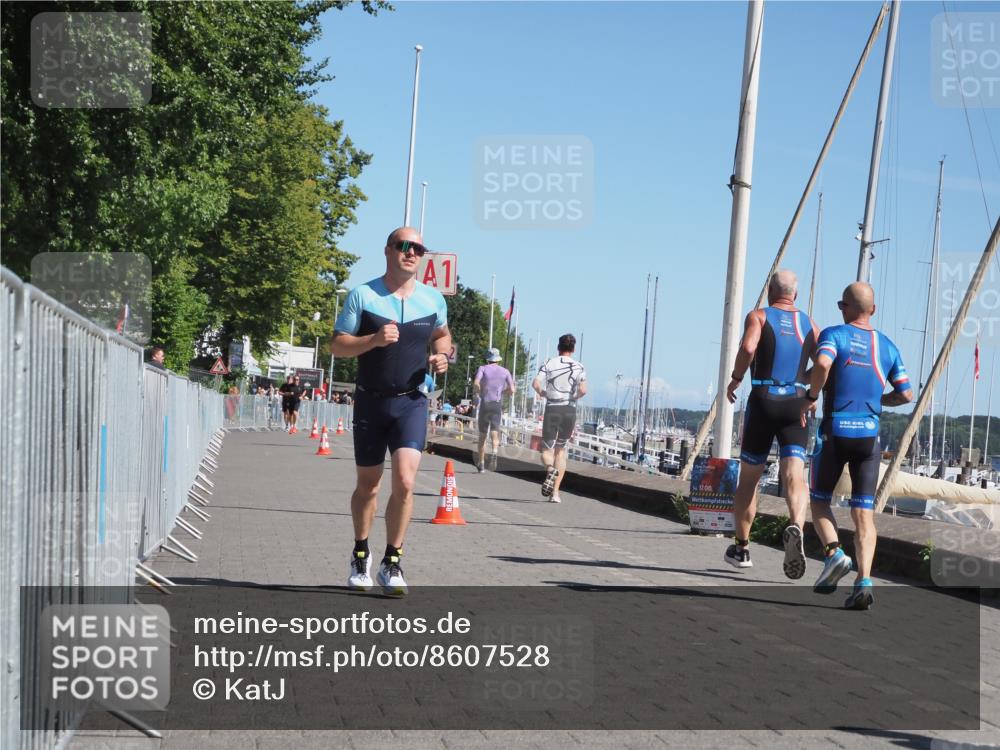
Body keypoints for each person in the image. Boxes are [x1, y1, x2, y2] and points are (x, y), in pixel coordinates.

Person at [331, 227, 450, 596]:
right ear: (388, 251)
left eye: (418, 248)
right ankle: (360, 553)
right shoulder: (362, 295)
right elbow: (337, 346)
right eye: (404, 246)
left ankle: (392, 561)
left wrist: (443, 355)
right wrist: (373, 340)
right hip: (371, 401)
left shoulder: (433, 300)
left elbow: (443, 335)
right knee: (368, 486)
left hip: (411, 401)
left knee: (406, 481)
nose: (411, 252)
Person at [801, 282, 912, 610]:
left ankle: (834, 553)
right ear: (873, 310)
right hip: (869, 437)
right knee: (864, 514)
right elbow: (906, 394)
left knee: (819, 501)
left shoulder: (834, 335)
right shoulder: (888, 346)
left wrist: (810, 397)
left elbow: (822, 365)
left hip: (835, 432)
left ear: (844, 308)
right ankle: (864, 581)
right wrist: (880, 400)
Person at [723, 270, 819, 579]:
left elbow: (749, 348)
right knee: (795, 472)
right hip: (796, 403)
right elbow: (824, 362)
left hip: (764, 398)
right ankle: (796, 524)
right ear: (796, 295)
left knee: (749, 478)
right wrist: (807, 387)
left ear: (769, 292)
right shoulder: (810, 324)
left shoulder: (759, 316)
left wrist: (736, 378)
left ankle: (742, 548)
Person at [532, 334, 587, 503]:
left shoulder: (549, 363)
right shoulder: (579, 366)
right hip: (569, 410)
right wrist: (573, 397)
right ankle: (555, 494)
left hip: (553, 408)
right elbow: (583, 390)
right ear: (574, 349)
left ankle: (549, 470)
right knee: (561, 452)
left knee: (546, 449)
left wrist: (542, 393)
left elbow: (535, 383)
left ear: (558, 347)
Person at [474, 347, 515, 472]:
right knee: (495, 431)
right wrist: (503, 391)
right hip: (497, 404)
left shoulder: (483, 368)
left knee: (482, 435)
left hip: (485, 403)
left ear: (488, 358)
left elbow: (476, 382)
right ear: (498, 359)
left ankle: (481, 464)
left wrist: (478, 392)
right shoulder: (505, 371)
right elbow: (512, 390)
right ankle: (495, 451)